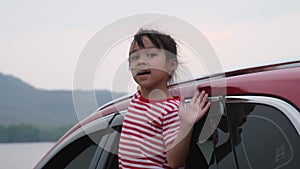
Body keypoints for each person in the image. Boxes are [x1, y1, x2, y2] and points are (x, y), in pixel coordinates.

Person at [118, 29, 211, 169]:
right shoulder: (138, 98)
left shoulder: (171, 110)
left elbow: (174, 161)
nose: (141, 62)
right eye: (134, 57)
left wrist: (186, 124)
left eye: (151, 55)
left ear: (171, 65)